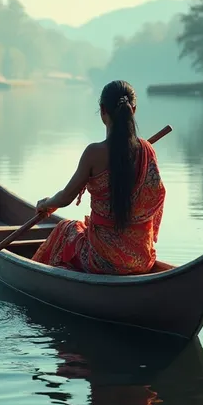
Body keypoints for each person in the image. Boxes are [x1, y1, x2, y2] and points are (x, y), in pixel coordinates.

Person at [32, 80, 166, 275]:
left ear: (103, 111)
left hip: (102, 260)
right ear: (133, 110)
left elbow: (65, 198)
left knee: (65, 229)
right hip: (141, 259)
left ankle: (43, 280)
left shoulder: (94, 153)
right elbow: (158, 194)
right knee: (77, 229)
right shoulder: (147, 151)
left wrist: (46, 204)